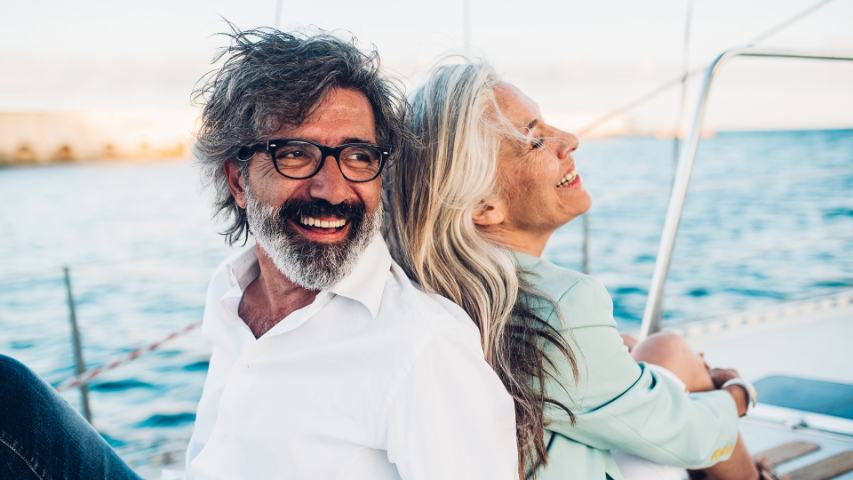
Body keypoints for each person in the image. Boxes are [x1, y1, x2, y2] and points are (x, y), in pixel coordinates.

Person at [0, 32, 519, 480]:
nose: (333, 189)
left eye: (359, 157)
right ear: (238, 181)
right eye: (295, 153)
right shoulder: (230, 298)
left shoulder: (422, 347)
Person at [385, 61, 771, 480]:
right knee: (675, 359)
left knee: (651, 348)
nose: (569, 141)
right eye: (535, 140)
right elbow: (687, 437)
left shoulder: (427, 286)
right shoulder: (560, 308)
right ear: (482, 205)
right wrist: (736, 396)